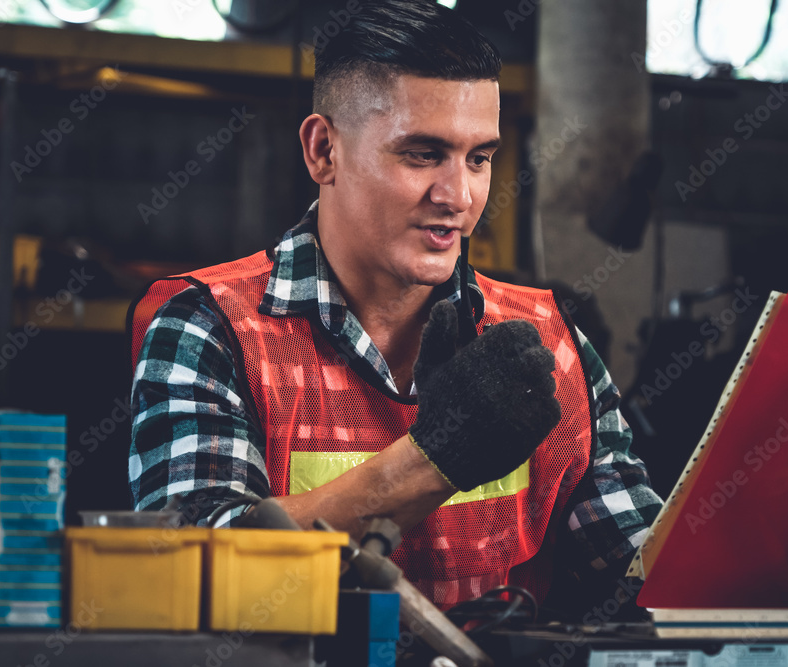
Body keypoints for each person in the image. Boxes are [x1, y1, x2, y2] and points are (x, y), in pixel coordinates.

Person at [128, 0, 662, 615]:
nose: (458, 196)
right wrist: (432, 460)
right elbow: (189, 574)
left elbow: (646, 573)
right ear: (324, 150)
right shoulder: (211, 328)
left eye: (479, 158)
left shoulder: (548, 342)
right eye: (421, 154)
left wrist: (770, 526)